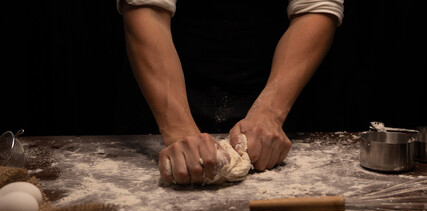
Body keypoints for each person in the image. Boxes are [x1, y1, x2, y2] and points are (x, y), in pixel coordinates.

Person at [117, 0, 344, 184]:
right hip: (167, 85)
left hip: (275, 82)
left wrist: (269, 112)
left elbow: (315, 8)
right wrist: (179, 130)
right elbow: (147, 10)